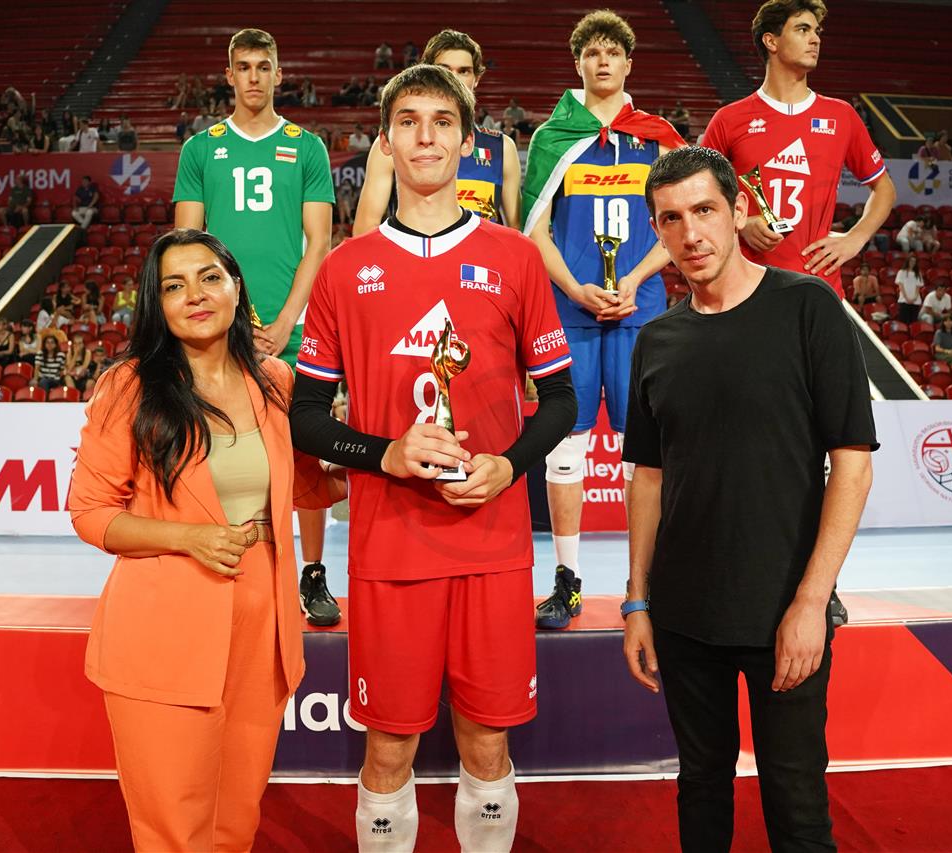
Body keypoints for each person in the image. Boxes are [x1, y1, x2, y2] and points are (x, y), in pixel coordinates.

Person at [289, 63, 575, 853]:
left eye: (442, 121)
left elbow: (559, 400)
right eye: (408, 121)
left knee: (488, 742)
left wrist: (508, 465)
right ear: (385, 142)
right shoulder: (344, 268)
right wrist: (385, 452)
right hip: (390, 548)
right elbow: (306, 417)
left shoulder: (516, 258)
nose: (425, 136)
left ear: (467, 141)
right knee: (389, 748)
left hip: (493, 544)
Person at [624, 145, 876, 853]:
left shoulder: (808, 307)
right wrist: (638, 600)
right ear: (657, 230)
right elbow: (649, 477)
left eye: (704, 210)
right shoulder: (657, 339)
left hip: (784, 609)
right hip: (681, 615)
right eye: (671, 219)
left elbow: (852, 466)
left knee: (796, 806)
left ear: (738, 210)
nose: (691, 233)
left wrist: (811, 602)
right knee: (701, 788)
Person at [68, 229, 341, 851]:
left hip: (263, 633)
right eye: (174, 285)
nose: (195, 294)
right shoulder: (129, 386)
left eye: (209, 277)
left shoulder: (275, 380)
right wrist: (188, 537)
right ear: (157, 303)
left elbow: (308, 484)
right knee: (174, 829)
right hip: (163, 631)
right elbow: (90, 513)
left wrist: (389, 459)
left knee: (235, 820)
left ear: (237, 289)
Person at [523, 10, 685, 628]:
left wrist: (635, 280)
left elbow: (681, 223)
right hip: (570, 312)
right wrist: (575, 289)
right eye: (592, 52)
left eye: (613, 52)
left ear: (628, 63)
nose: (603, 61)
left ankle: (646, 582)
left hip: (641, 313)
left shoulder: (657, 136)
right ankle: (567, 581)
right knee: (565, 450)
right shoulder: (553, 137)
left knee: (645, 453)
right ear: (579, 64)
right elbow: (533, 229)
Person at [174, 27, 338, 626]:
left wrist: (288, 318)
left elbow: (319, 243)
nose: (253, 77)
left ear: (277, 74)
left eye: (262, 66)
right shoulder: (201, 149)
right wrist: (226, 317)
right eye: (242, 66)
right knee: (218, 448)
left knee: (306, 453)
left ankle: (313, 573)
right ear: (228, 75)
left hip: (293, 328)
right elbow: (185, 246)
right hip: (220, 330)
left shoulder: (307, 147)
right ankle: (227, 564)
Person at [702, 0, 895, 297]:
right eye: (803, 30)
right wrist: (739, 224)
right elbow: (700, 198)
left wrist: (855, 238)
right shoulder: (729, 119)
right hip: (745, 288)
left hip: (818, 288)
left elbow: (884, 188)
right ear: (771, 41)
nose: (815, 39)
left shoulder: (841, 116)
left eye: (817, 31)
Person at [355, 29, 523, 232]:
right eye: (444, 69)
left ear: (476, 78)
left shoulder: (502, 147)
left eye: (464, 71)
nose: (454, 79)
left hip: (482, 254)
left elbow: (516, 232)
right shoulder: (394, 142)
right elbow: (366, 226)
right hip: (410, 253)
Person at [894, 254, 924, 323]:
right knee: (903, 321)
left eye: (914, 261)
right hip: (904, 299)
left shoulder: (918, 273)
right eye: (911, 261)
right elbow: (901, 286)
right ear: (907, 261)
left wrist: (915, 298)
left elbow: (918, 287)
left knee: (913, 321)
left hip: (915, 300)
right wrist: (906, 298)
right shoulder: (901, 272)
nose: (912, 263)